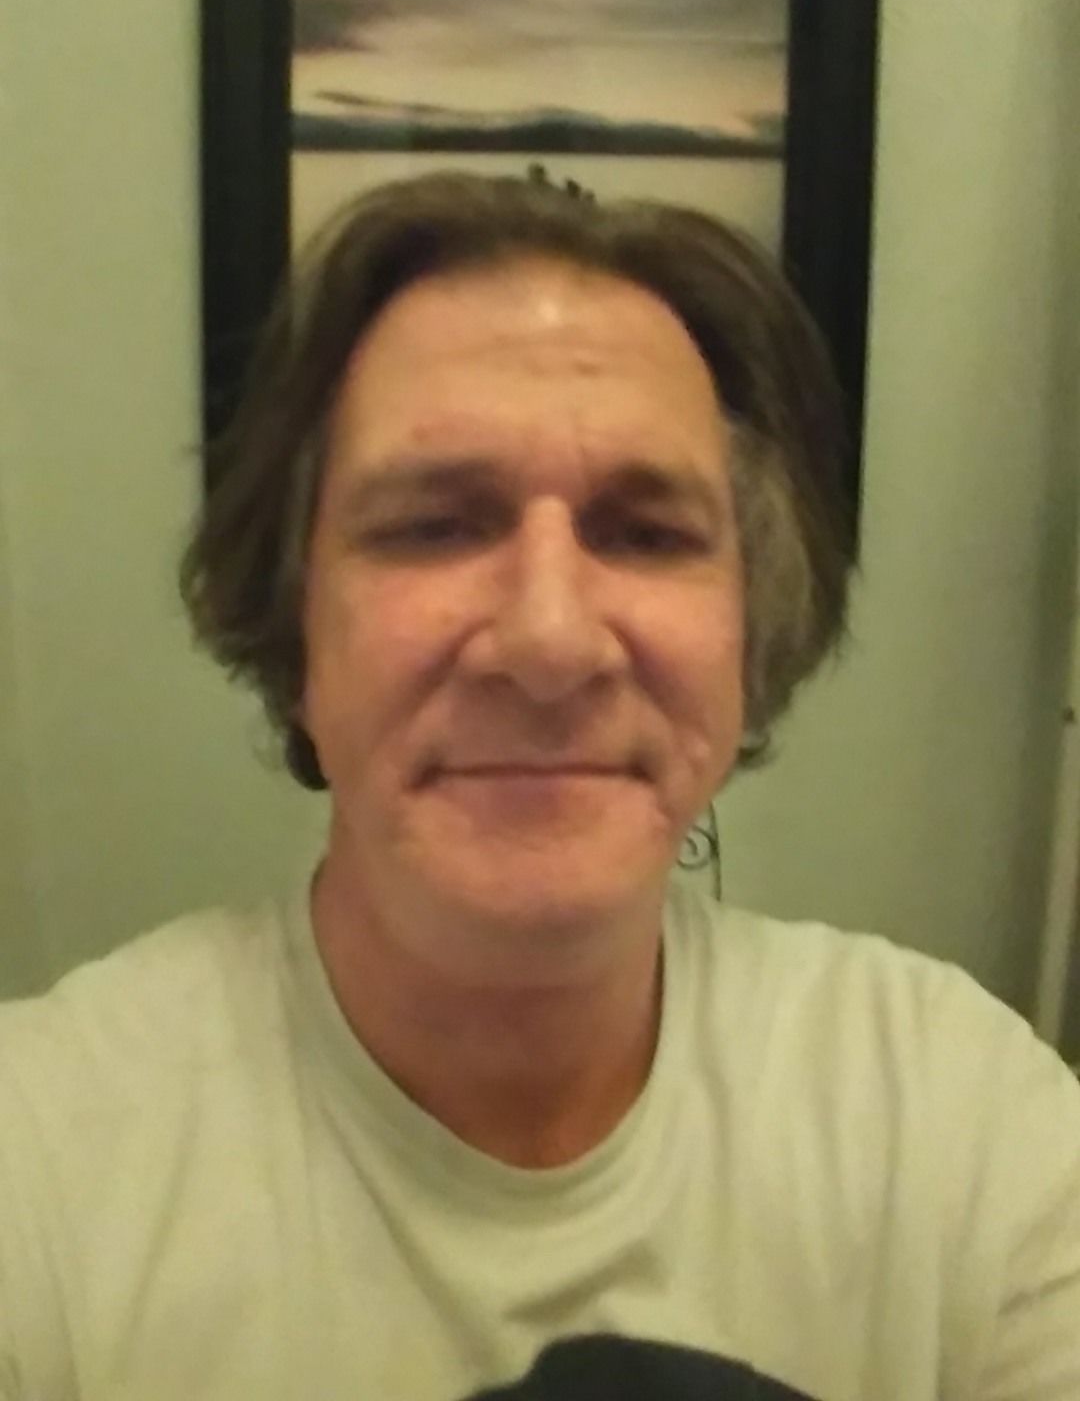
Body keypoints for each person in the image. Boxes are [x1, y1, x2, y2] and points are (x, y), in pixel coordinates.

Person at [1, 172, 1077, 1400]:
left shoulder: (963, 1125)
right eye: (435, 525)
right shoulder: (40, 1157)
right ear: (298, 639)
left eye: (644, 532)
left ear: (748, 637)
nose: (550, 641)